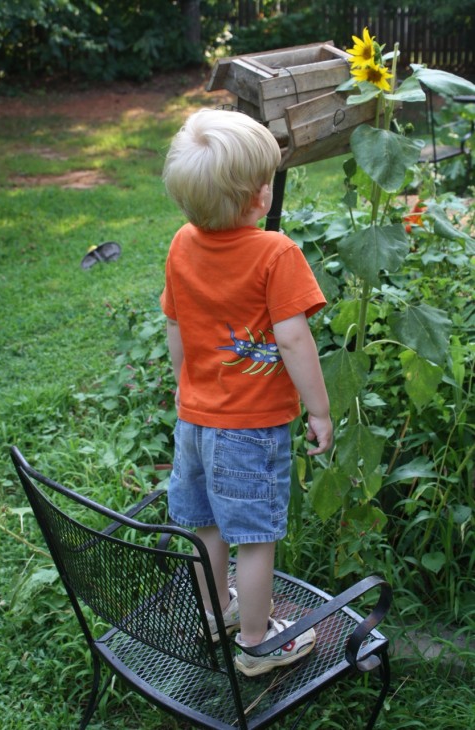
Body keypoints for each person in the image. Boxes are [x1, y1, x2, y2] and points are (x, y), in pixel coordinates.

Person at [160, 108, 333, 677]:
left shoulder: (182, 244)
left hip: (195, 420)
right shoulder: (275, 254)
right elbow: (291, 338)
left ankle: (217, 611)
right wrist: (320, 409)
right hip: (250, 429)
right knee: (256, 539)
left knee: (207, 523)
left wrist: (186, 387)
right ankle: (258, 643)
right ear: (258, 198)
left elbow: (177, 326)